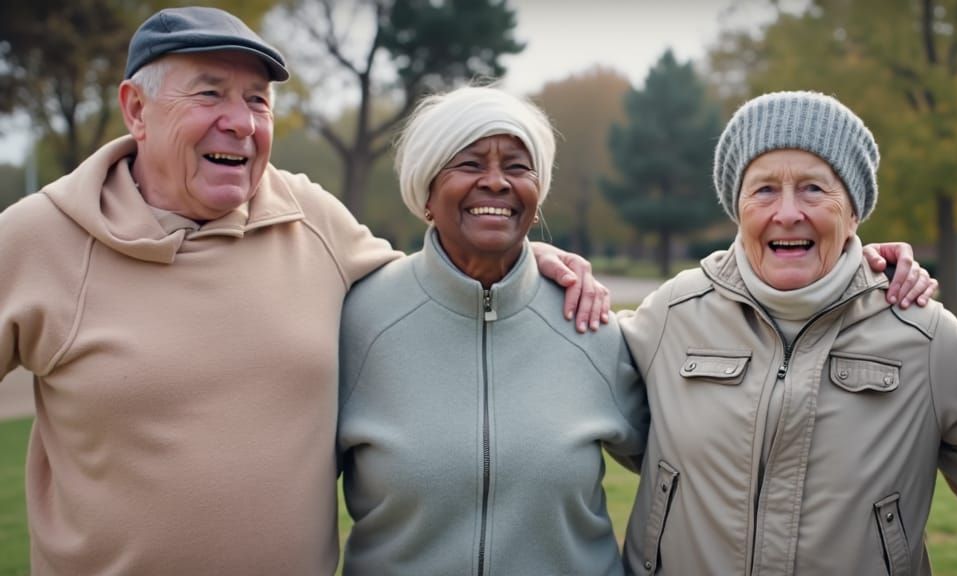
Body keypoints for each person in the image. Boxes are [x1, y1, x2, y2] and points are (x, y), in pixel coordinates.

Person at [0, 7, 607, 575]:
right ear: (136, 108)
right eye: (210, 92)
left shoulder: (310, 217)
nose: (239, 122)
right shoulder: (38, 238)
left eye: (257, 101)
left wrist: (519, 253)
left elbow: (433, 283)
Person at [620, 91, 957, 575]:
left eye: (814, 189)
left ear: (855, 211)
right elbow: (566, 360)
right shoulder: (672, 313)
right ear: (737, 206)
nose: (788, 212)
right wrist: (528, 262)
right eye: (763, 190)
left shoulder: (924, 338)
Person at [336, 86, 648, 575]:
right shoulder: (358, 321)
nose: (497, 182)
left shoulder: (588, 323)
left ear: (537, 197)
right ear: (426, 194)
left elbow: (685, 462)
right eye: (470, 164)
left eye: (518, 167)